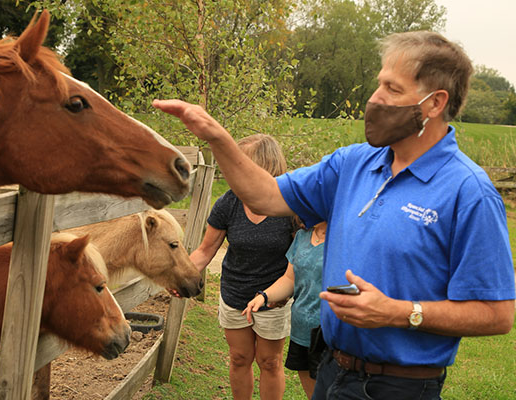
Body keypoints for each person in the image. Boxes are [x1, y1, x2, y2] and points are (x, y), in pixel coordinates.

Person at [153, 30, 515, 400]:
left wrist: (399, 312)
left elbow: (498, 314)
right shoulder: (353, 163)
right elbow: (265, 195)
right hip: (330, 369)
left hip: (400, 386)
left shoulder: (468, 192)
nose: (375, 99)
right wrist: (217, 136)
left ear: (434, 103)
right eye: (378, 85)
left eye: (392, 88)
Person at [189, 134, 296, 400]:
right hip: (235, 294)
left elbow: (299, 260)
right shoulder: (229, 202)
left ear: (264, 165)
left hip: (274, 299)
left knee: (269, 362)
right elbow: (204, 251)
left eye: (240, 162)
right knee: (239, 358)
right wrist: (180, 274)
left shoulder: (288, 205)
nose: (232, 168)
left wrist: (277, 294)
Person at [243, 221, 327, 398]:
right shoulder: (302, 237)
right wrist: (264, 296)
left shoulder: (342, 236)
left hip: (330, 334)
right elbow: (289, 279)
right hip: (302, 332)